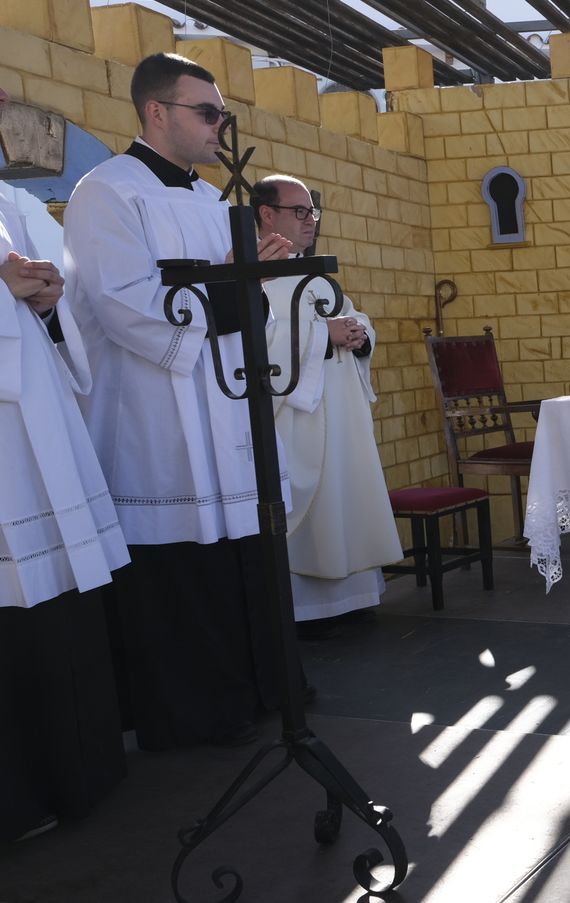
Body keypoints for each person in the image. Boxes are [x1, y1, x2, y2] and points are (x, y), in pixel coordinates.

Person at [63, 52, 298, 750]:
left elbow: (240, 301)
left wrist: (253, 281)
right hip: (155, 413)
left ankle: (259, 692)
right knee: (180, 571)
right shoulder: (106, 192)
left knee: (240, 552)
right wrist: (231, 287)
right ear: (156, 112)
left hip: (223, 404)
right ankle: (193, 712)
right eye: (207, 112)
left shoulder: (208, 200)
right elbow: (121, 304)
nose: (219, 126)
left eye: (223, 114)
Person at [1, 109, 129, 841]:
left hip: (42, 434)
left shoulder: (14, 204)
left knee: (56, 611)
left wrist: (48, 305)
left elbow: (67, 316)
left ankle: (81, 774)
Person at [253, 174, 401, 628]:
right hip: (298, 418)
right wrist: (323, 336)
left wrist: (359, 335)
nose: (309, 221)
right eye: (299, 211)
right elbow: (255, 341)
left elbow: (351, 313)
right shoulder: (250, 273)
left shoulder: (309, 270)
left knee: (347, 495)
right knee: (313, 510)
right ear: (266, 214)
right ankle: (312, 611)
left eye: (312, 212)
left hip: (341, 415)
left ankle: (355, 600)